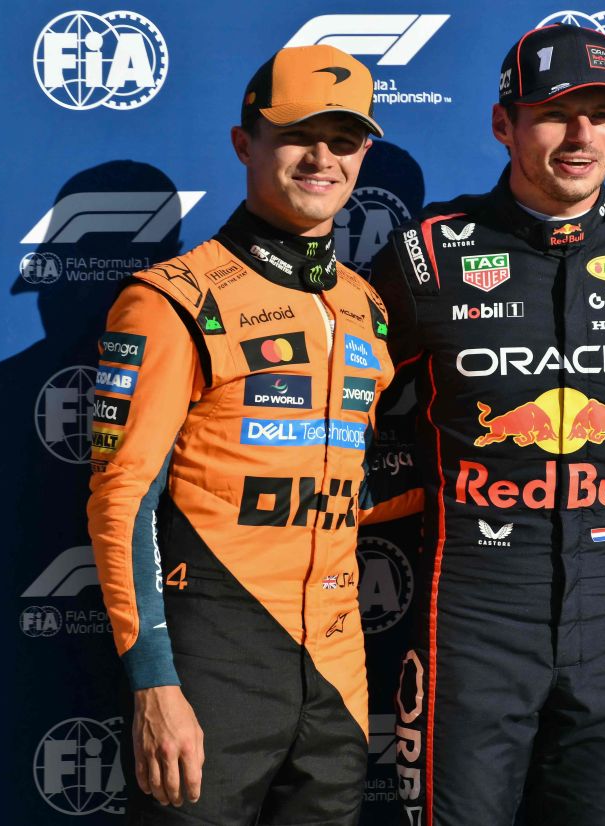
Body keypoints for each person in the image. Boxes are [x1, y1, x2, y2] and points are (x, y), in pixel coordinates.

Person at [369, 23, 605, 826]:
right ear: (502, 123)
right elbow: (362, 417)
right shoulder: (429, 257)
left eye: (602, 111)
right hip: (473, 611)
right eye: (554, 112)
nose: (581, 135)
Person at [86, 44, 409, 824]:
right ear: (245, 143)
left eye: (345, 139)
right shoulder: (173, 299)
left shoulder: (367, 306)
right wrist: (155, 684)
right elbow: (122, 501)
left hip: (339, 674)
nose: (322, 158)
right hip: (214, 666)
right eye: (299, 133)